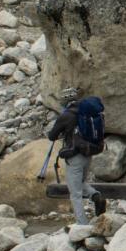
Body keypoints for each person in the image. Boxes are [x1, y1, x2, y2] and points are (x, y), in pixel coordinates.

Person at [46, 87, 105, 225]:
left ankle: (82, 224)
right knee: (81, 182)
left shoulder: (66, 115)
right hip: (89, 153)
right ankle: (95, 195)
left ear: (65, 100)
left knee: (75, 193)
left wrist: (62, 130)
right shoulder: (88, 111)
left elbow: (52, 136)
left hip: (74, 157)